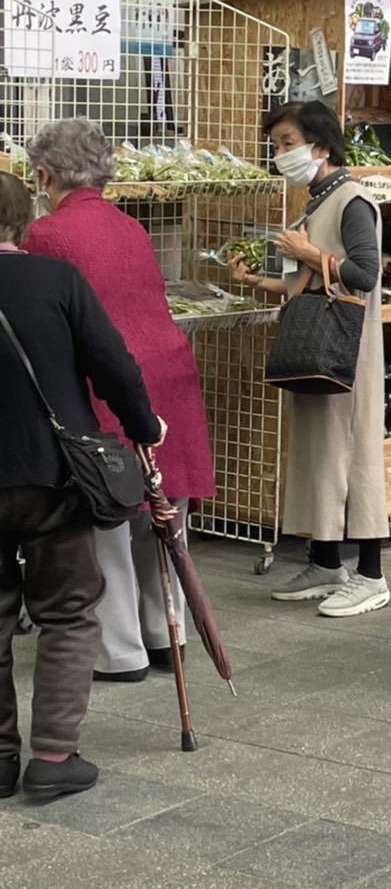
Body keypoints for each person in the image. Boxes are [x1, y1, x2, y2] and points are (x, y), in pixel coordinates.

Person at [24, 118, 216, 682]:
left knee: (107, 515)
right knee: (163, 513)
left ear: (44, 173)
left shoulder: (47, 235)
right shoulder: (131, 226)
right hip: (169, 374)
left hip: (105, 379)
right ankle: (165, 636)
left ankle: (121, 652)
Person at [0, 171, 165, 800]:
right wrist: (144, 426)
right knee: (67, 612)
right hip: (54, 476)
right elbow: (113, 363)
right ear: (23, 220)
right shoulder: (57, 281)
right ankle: (52, 755)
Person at [230, 101, 390, 617]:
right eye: (276, 144)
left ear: (321, 146)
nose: (281, 154)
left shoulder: (352, 200)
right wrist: (262, 282)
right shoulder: (318, 201)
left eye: (287, 143)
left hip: (347, 351)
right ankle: (326, 562)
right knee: (319, 453)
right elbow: (313, 282)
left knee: (354, 454)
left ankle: (372, 575)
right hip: (320, 345)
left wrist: (306, 254)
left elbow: (365, 275)